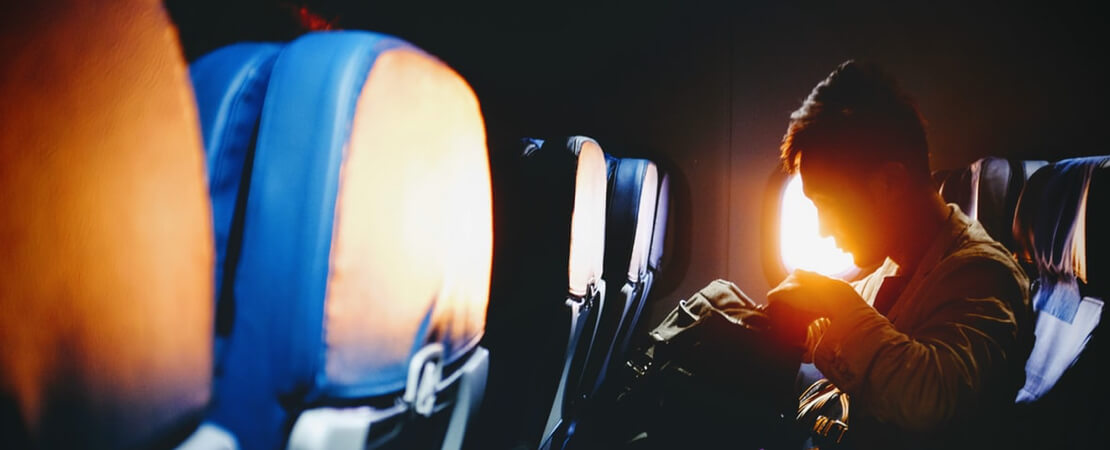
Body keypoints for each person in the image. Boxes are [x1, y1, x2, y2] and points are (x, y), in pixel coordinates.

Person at [766, 60, 1033, 449]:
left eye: (828, 204)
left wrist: (833, 300)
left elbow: (933, 398)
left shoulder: (982, 273)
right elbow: (861, 333)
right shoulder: (897, 265)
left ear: (889, 184)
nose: (823, 229)